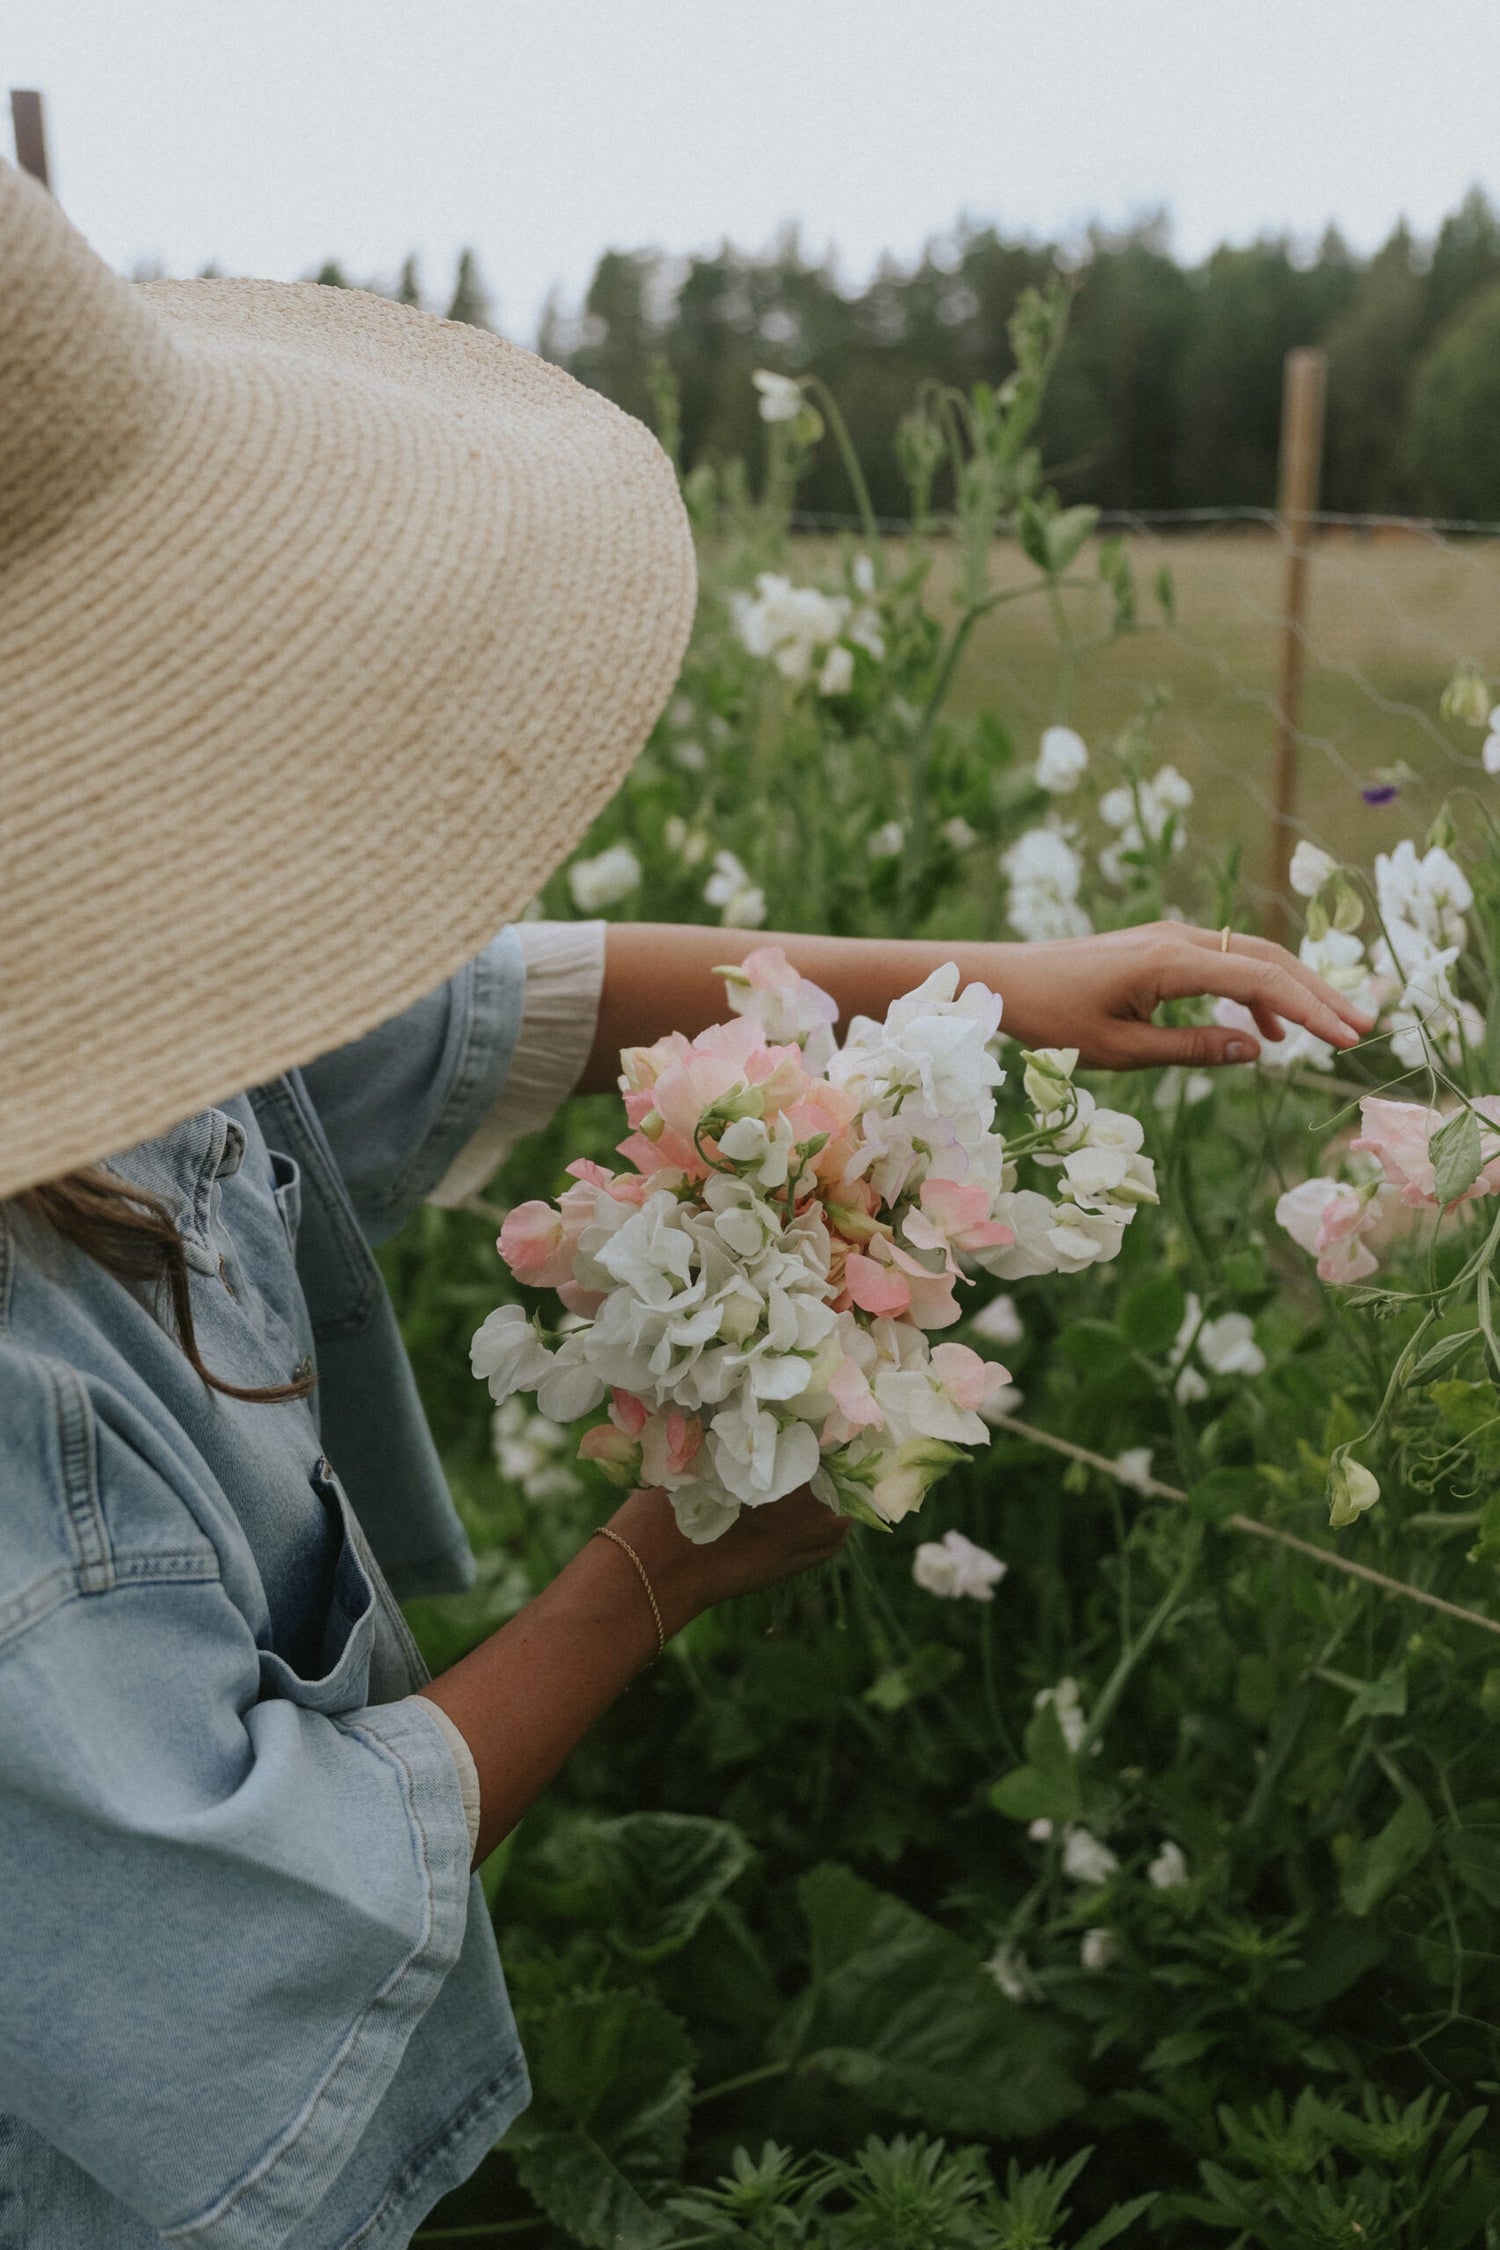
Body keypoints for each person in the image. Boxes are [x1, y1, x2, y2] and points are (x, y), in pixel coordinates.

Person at [0, 158, 1372, 2250]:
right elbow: (256, 1914)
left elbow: (416, 1020)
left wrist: (987, 990)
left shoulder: (87, 1004)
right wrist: (668, 1555)